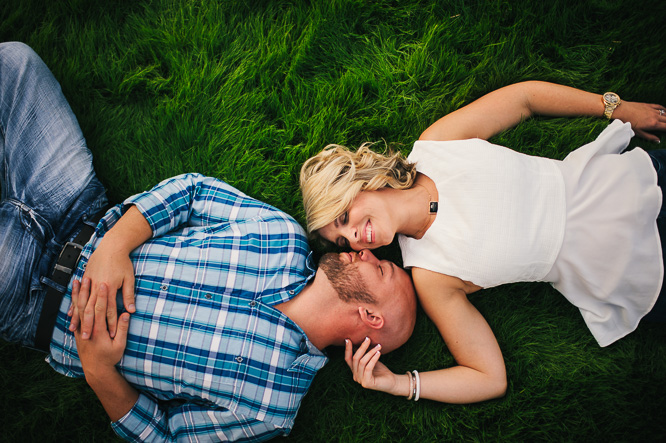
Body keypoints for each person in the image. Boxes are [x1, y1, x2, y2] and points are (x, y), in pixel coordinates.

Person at [0, 42, 417, 442]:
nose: (364, 252)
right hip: (78, 208)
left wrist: (99, 372)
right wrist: (113, 247)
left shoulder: (270, 405)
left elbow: (166, 435)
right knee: (15, 64)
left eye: (380, 267)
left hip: (33, 301)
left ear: (370, 317)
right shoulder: (283, 236)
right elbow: (192, 192)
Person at [300, 80, 666, 404]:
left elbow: (524, 99)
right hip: (635, 264)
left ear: (358, 182)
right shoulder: (431, 275)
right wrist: (398, 384)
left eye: (343, 217)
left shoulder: (435, 146)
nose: (352, 237)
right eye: (342, 240)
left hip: (637, 184)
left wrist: (617, 108)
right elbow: (488, 378)